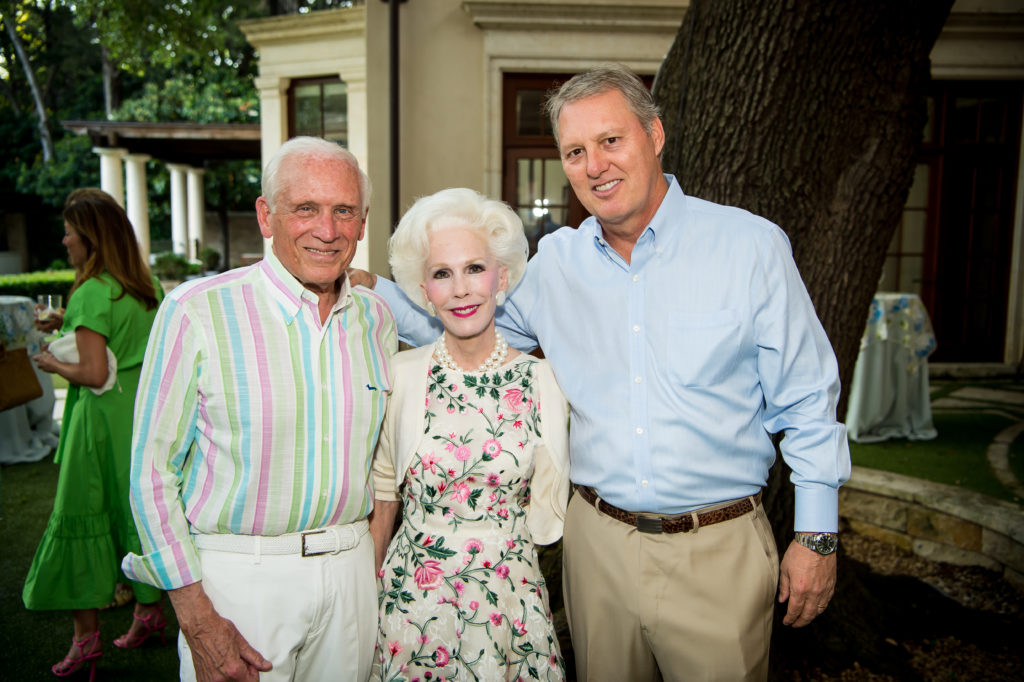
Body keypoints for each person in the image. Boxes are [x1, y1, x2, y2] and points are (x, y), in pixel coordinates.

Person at [358, 64, 852, 681]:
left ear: (656, 135)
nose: (595, 165)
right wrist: (373, 289)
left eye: (611, 141)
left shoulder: (750, 248)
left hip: (717, 550)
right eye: (575, 151)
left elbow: (807, 401)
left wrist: (817, 536)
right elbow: (466, 333)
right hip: (596, 551)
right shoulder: (555, 264)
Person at [121, 137, 396, 682]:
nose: (327, 229)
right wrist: (196, 616)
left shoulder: (376, 321)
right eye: (306, 209)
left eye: (343, 210)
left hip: (352, 576)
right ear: (267, 216)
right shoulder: (195, 311)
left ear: (362, 223)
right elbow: (151, 475)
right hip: (238, 582)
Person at [368, 188, 569, 681]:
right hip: (412, 602)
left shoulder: (544, 381)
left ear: (502, 277)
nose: (461, 289)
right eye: (443, 273)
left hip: (510, 600)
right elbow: (384, 491)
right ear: (424, 290)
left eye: (475, 268)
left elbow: (553, 507)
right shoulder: (402, 374)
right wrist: (368, 592)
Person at [23, 188, 167, 680]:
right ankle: (148, 614)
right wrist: (73, 324)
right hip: (140, 417)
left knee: (81, 517)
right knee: (134, 515)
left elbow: (90, 372)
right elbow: (126, 346)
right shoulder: (147, 289)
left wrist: (47, 360)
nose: (64, 240)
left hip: (98, 422)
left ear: (90, 238)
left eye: (69, 231)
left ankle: (85, 640)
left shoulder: (90, 292)